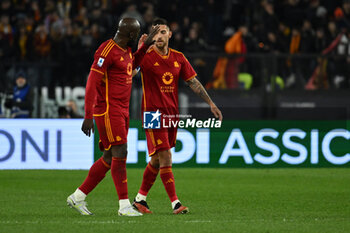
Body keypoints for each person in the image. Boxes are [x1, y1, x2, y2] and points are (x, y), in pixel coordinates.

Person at [66, 18, 159, 217]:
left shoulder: (126, 51)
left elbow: (133, 66)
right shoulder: (106, 50)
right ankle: (124, 205)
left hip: (122, 110)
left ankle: (78, 196)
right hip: (108, 110)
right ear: (132, 35)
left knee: (109, 157)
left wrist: (145, 48)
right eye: (138, 33)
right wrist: (88, 115)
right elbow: (92, 82)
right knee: (120, 151)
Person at [132, 18, 222, 215]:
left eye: (163, 32)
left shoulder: (178, 58)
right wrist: (139, 50)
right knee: (166, 156)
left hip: (172, 115)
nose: (159, 36)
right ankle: (175, 203)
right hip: (152, 114)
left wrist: (211, 103)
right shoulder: (145, 56)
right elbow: (129, 73)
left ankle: (140, 199)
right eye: (155, 33)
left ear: (170, 34)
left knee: (156, 159)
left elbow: (194, 83)